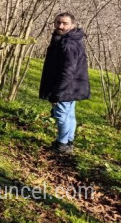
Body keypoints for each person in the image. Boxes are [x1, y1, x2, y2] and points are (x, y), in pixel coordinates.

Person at [39, 12, 90, 154]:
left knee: (61, 115)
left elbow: (68, 71)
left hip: (66, 87)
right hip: (72, 86)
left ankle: (61, 144)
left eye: (65, 23)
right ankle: (68, 141)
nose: (60, 26)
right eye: (58, 22)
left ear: (73, 25)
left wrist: (58, 92)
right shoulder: (65, 39)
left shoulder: (68, 43)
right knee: (69, 114)